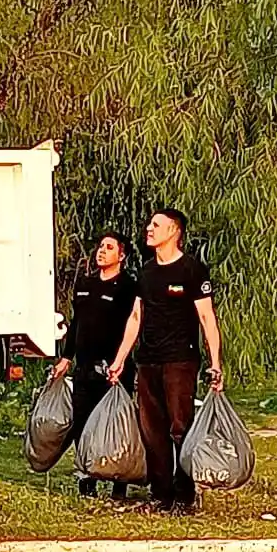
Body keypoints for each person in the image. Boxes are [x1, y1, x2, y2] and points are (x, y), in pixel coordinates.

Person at [107, 209, 223, 513]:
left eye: (156, 225)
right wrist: (120, 359)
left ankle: (185, 494)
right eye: (149, 224)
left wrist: (216, 362)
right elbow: (136, 316)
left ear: (174, 231)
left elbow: (206, 318)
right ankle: (161, 495)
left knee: (179, 426)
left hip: (180, 360)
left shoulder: (191, 270)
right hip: (148, 360)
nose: (148, 229)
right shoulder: (145, 273)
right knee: (151, 429)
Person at [51, 231, 138, 501]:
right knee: (83, 423)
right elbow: (77, 323)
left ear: (121, 256)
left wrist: (120, 361)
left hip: (114, 368)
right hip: (84, 367)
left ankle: (118, 483)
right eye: (100, 246)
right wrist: (66, 357)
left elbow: (133, 324)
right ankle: (87, 479)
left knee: (115, 424)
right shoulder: (85, 284)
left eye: (109, 247)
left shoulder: (128, 287)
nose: (102, 251)